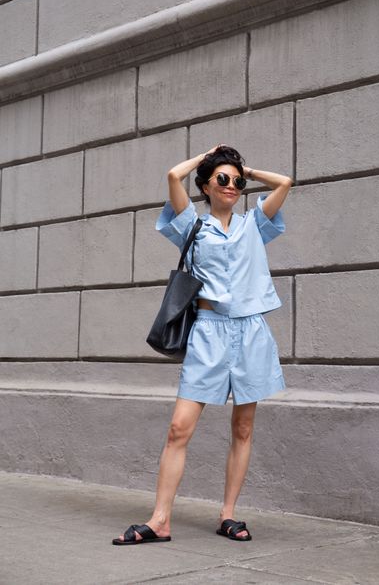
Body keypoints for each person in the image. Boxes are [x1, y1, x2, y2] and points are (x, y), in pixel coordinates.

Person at [112, 144, 292, 545]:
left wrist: (247, 168)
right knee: (179, 428)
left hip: (250, 331)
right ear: (207, 186)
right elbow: (173, 176)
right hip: (208, 330)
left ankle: (228, 515)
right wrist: (207, 157)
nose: (231, 186)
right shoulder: (190, 226)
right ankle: (160, 521)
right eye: (222, 179)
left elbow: (285, 183)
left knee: (243, 427)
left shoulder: (253, 224)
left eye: (237, 181)